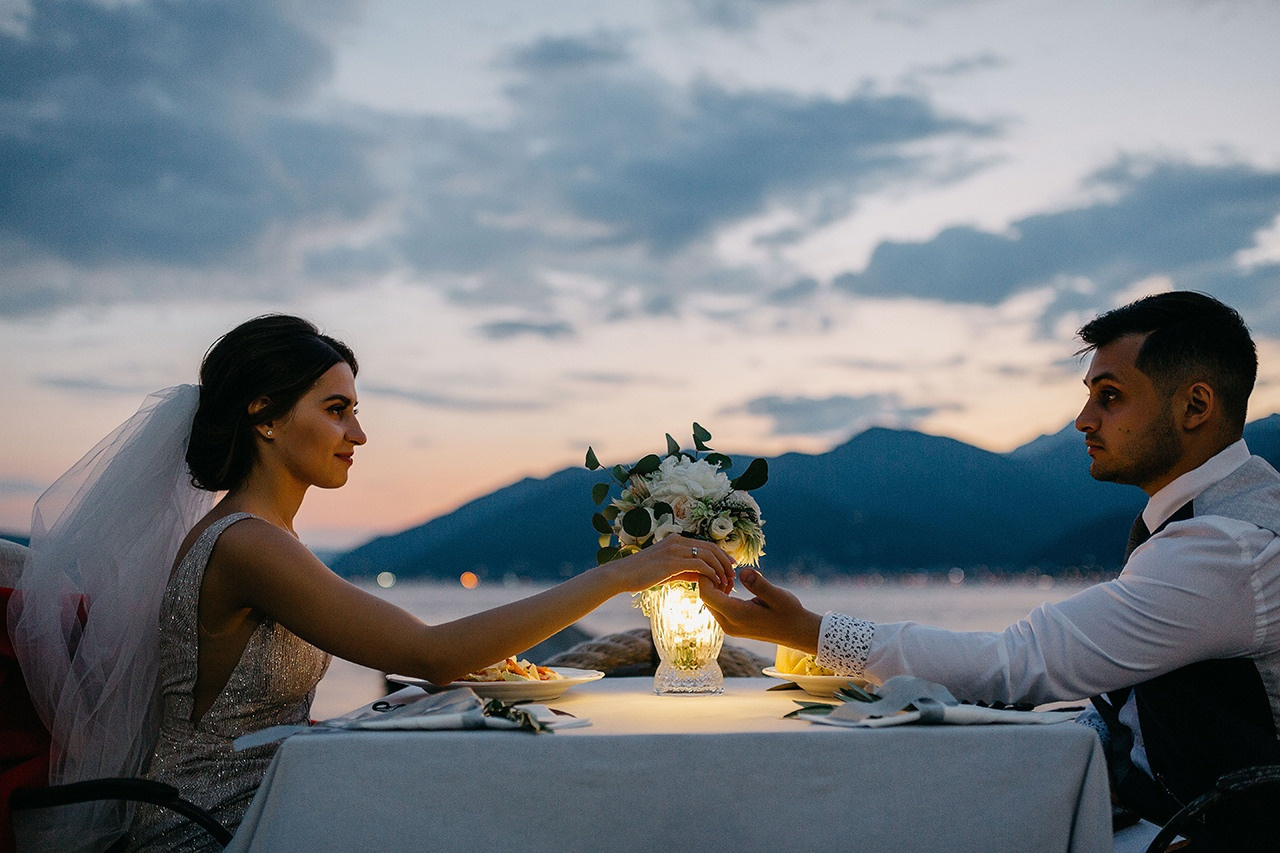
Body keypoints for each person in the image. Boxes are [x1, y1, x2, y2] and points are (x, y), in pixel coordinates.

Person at [8, 315, 734, 853]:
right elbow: (430, 650)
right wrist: (620, 574)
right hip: (212, 831)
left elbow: (420, 646)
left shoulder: (268, 538)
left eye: (354, 410)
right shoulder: (249, 546)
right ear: (264, 416)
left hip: (274, 807)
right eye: (336, 409)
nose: (357, 434)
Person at [701, 291, 1280, 847]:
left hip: (1198, 832)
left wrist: (806, 632)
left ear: (1196, 406)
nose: (1082, 420)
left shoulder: (1225, 549)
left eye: (1109, 397)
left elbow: (1023, 660)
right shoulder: (1217, 520)